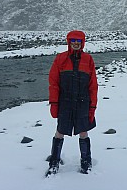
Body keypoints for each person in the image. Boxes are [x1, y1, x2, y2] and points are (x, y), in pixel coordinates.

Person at [46, 30, 98, 176]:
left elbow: (93, 86)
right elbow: (54, 83)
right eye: (73, 40)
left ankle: (86, 162)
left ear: (82, 43)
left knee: (83, 131)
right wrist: (54, 103)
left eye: (79, 41)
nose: (76, 43)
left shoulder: (88, 59)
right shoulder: (60, 58)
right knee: (60, 131)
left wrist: (92, 106)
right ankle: (54, 163)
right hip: (65, 102)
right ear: (69, 42)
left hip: (83, 102)